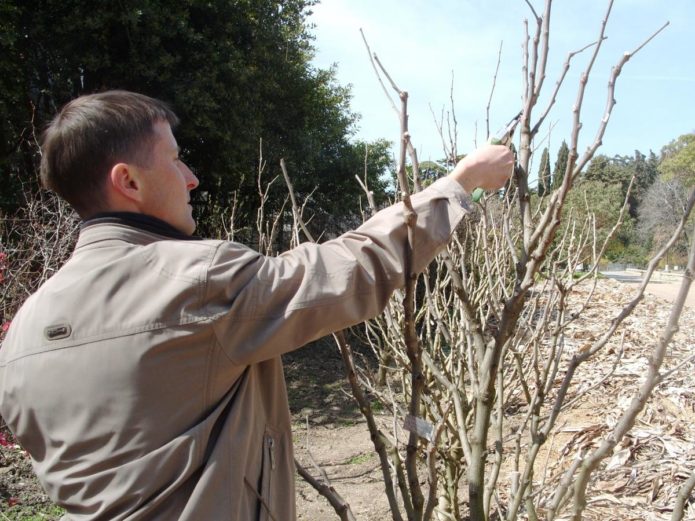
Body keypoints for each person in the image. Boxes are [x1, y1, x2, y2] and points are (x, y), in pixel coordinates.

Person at [0, 90, 513, 520]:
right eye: (175, 158)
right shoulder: (195, 281)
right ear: (128, 182)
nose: (191, 177)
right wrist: (459, 183)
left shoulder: (21, 334)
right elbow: (355, 268)